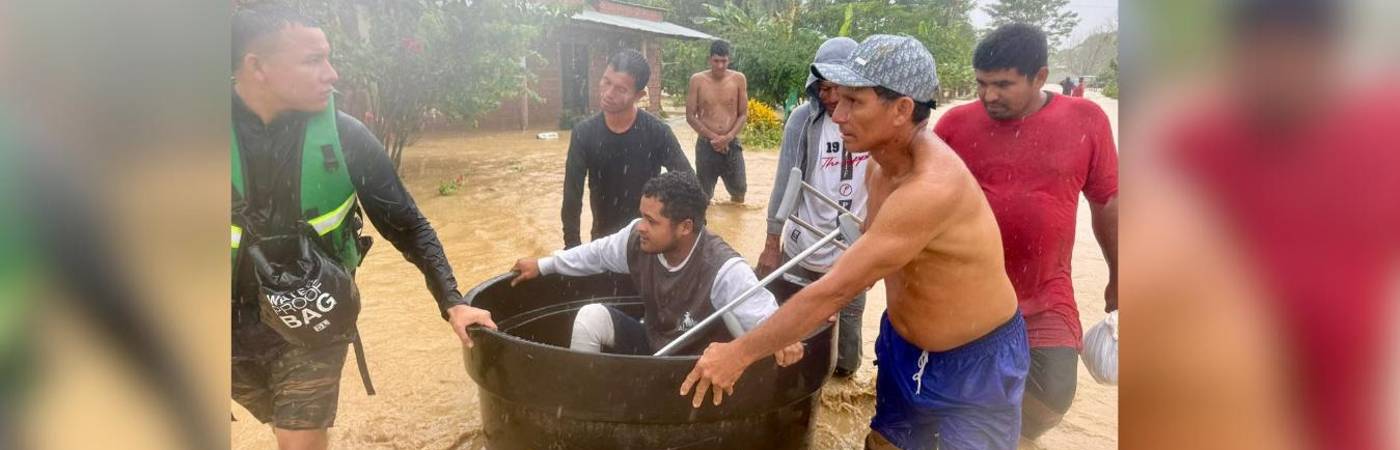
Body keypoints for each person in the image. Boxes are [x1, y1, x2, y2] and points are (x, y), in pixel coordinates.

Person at [679, 35, 1028, 450]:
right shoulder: (880, 170)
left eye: (855, 102)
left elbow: (837, 287)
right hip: (903, 345)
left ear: (901, 109)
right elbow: (864, 262)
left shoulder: (930, 190)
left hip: (973, 366)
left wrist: (738, 354)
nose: (839, 114)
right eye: (838, 99)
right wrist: (825, 300)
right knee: (883, 442)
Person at [230, 5, 494, 449]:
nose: (332, 74)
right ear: (258, 67)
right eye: (313, 60)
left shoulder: (347, 139)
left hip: (311, 318)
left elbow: (409, 227)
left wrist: (453, 301)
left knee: (300, 440)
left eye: (329, 57)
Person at [933, 23, 1118, 441]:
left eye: (1002, 84)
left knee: (1054, 394)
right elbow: (921, 199)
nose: (988, 96)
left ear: (1039, 76)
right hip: (967, 293)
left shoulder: (1086, 120)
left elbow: (1108, 201)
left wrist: (1119, 274)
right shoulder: (955, 125)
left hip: (1046, 291)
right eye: (981, 83)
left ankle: (1015, 436)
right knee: (955, 398)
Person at [514, 172, 803, 361]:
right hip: (654, 344)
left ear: (685, 227)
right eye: (642, 216)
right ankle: (584, 399)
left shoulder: (724, 268)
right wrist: (543, 265)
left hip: (699, 363)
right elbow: (595, 254)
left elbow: (766, 318)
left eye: (652, 221)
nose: (641, 227)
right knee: (591, 315)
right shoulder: (637, 240)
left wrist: (784, 339)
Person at [757, 37, 868, 378]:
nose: (830, 97)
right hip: (803, 246)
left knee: (845, 360)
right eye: (823, 87)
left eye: (837, 87)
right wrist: (771, 243)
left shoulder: (876, 122)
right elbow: (784, 185)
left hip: (853, 253)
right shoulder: (804, 121)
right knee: (793, 336)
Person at [563, 49, 693, 249]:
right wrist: (571, 249)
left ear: (639, 95)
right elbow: (572, 197)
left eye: (620, 89)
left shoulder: (657, 132)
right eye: (606, 82)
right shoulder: (584, 134)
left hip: (647, 243)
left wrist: (687, 242)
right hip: (602, 243)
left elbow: (690, 186)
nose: (608, 94)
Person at [686, 40, 749, 203]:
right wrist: (714, 138)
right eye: (716, 61)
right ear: (709, 60)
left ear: (729, 60)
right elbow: (690, 116)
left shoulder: (738, 79)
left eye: (724, 61)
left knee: (740, 192)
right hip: (707, 145)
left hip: (731, 144)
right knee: (703, 197)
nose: (720, 65)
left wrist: (727, 137)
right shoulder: (697, 80)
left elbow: (743, 114)